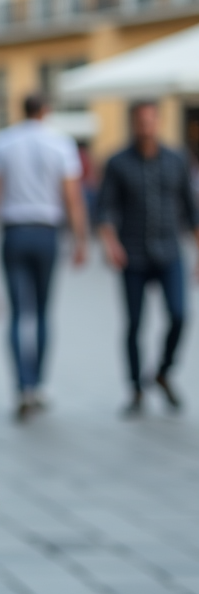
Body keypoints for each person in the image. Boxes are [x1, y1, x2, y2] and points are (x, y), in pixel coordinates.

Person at [0, 94, 89, 420]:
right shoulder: (61, 144)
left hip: (14, 232)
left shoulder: (2, 142)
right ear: (46, 110)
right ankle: (38, 385)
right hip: (47, 233)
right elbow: (72, 197)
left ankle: (21, 386)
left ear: (22, 110)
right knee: (42, 311)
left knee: (16, 313)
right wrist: (81, 239)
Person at [96, 102, 199, 416]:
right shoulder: (118, 162)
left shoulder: (177, 159)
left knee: (179, 315)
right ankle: (136, 389)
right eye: (141, 121)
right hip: (133, 254)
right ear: (133, 123)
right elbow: (105, 208)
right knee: (134, 324)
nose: (146, 126)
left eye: (151, 120)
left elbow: (191, 210)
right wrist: (110, 244)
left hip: (169, 252)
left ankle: (163, 371)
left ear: (159, 122)